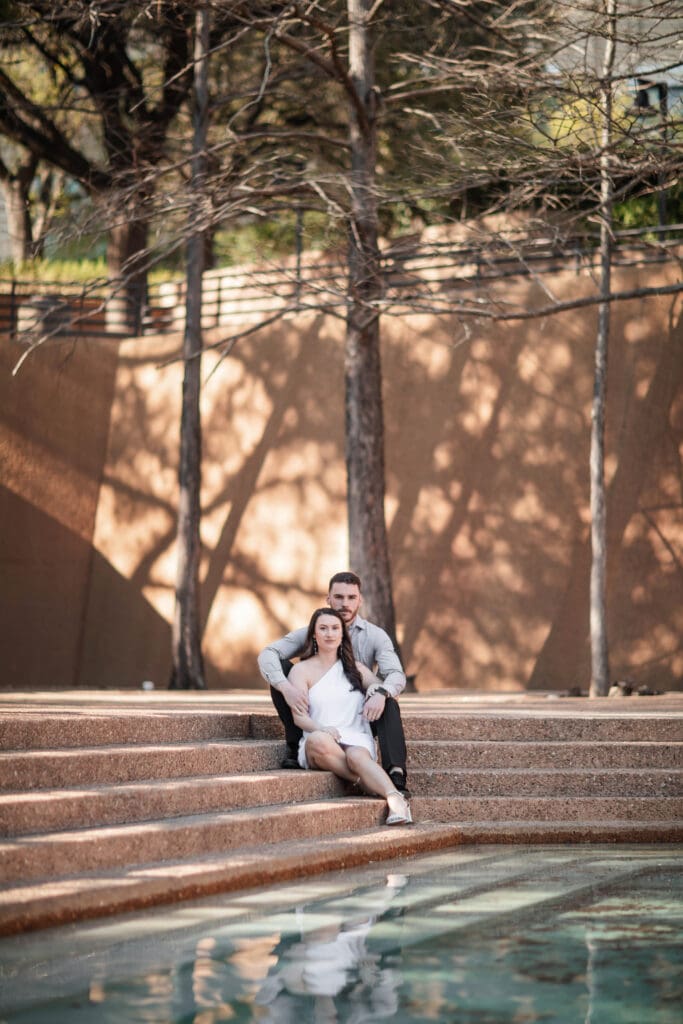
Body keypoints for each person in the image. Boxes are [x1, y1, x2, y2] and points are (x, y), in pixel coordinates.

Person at [258, 571, 409, 794]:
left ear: (360, 600)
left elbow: (396, 674)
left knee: (388, 699)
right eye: (338, 597)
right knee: (279, 671)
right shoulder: (315, 629)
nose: (344, 603)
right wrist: (286, 687)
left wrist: (381, 692)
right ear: (328, 599)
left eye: (351, 597)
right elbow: (268, 654)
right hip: (318, 713)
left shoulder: (375, 636)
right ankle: (295, 742)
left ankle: (395, 772)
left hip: (361, 712)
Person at [287, 606, 412, 826]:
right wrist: (321, 728)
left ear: (342, 634)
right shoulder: (301, 671)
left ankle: (396, 799)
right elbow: (298, 718)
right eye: (323, 628)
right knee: (318, 742)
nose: (329, 633)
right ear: (313, 634)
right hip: (320, 735)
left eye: (335, 628)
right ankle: (371, 783)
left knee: (356, 757)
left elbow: (380, 687)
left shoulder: (356, 668)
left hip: (356, 735)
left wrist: (378, 694)